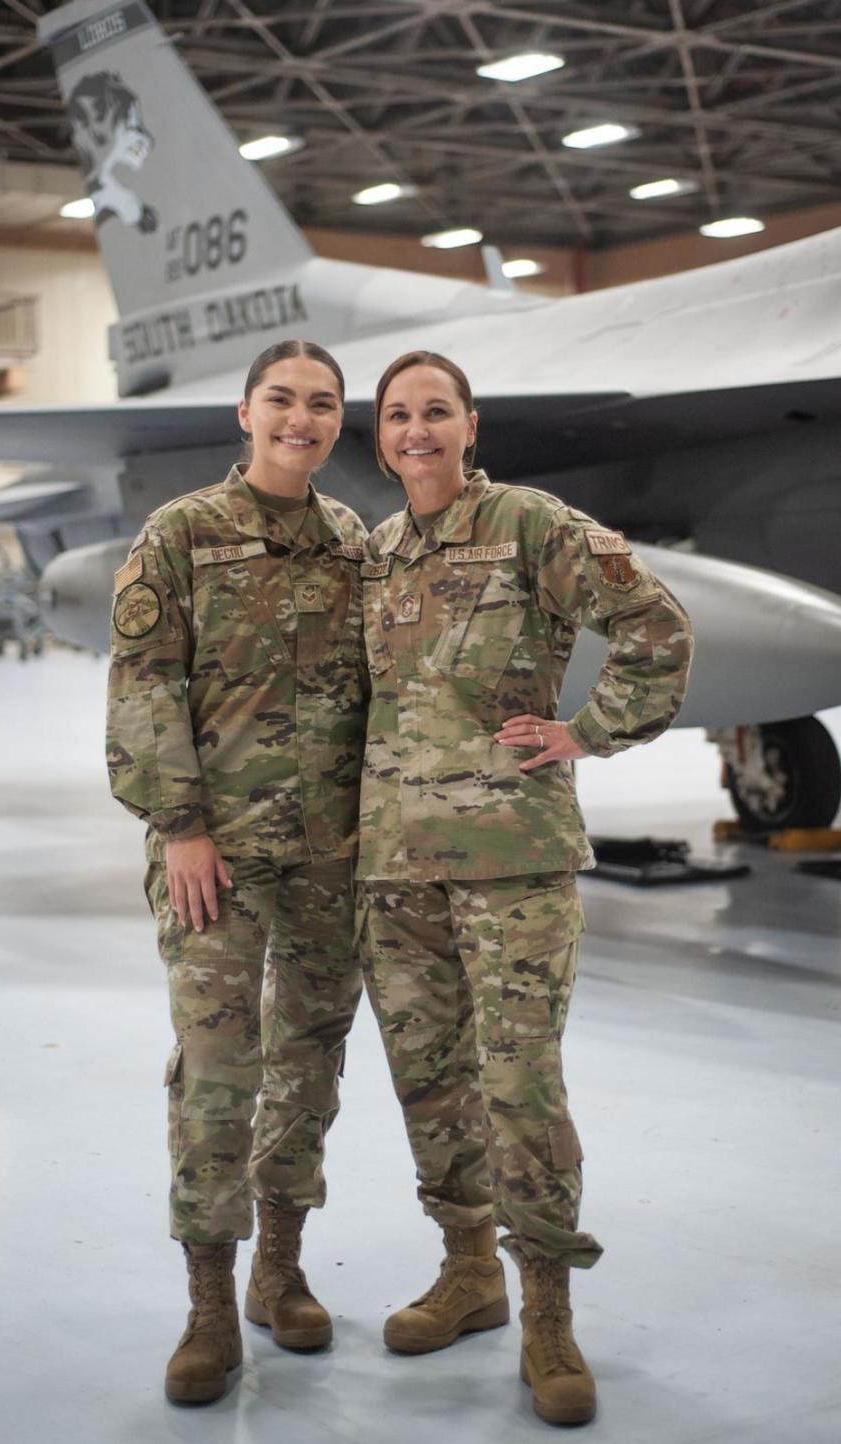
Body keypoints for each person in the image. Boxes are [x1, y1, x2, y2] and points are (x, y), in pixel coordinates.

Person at [356, 351, 693, 1426]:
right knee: (430, 1083)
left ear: (470, 424)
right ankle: (469, 1273)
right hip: (395, 867)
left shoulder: (532, 525)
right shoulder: (379, 552)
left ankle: (548, 1307)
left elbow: (658, 628)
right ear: (382, 436)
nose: (418, 431)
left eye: (436, 413)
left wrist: (585, 731)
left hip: (514, 862)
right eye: (400, 415)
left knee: (521, 1086)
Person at [106, 339, 368, 1404]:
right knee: (218, 1071)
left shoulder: (351, 539)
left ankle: (281, 1267)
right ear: (244, 413)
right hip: (213, 853)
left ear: (336, 421)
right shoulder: (181, 534)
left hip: (329, 856)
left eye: (319, 404)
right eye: (280, 401)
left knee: (308, 1063)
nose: (298, 419)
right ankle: (209, 1302)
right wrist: (180, 825)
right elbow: (142, 687)